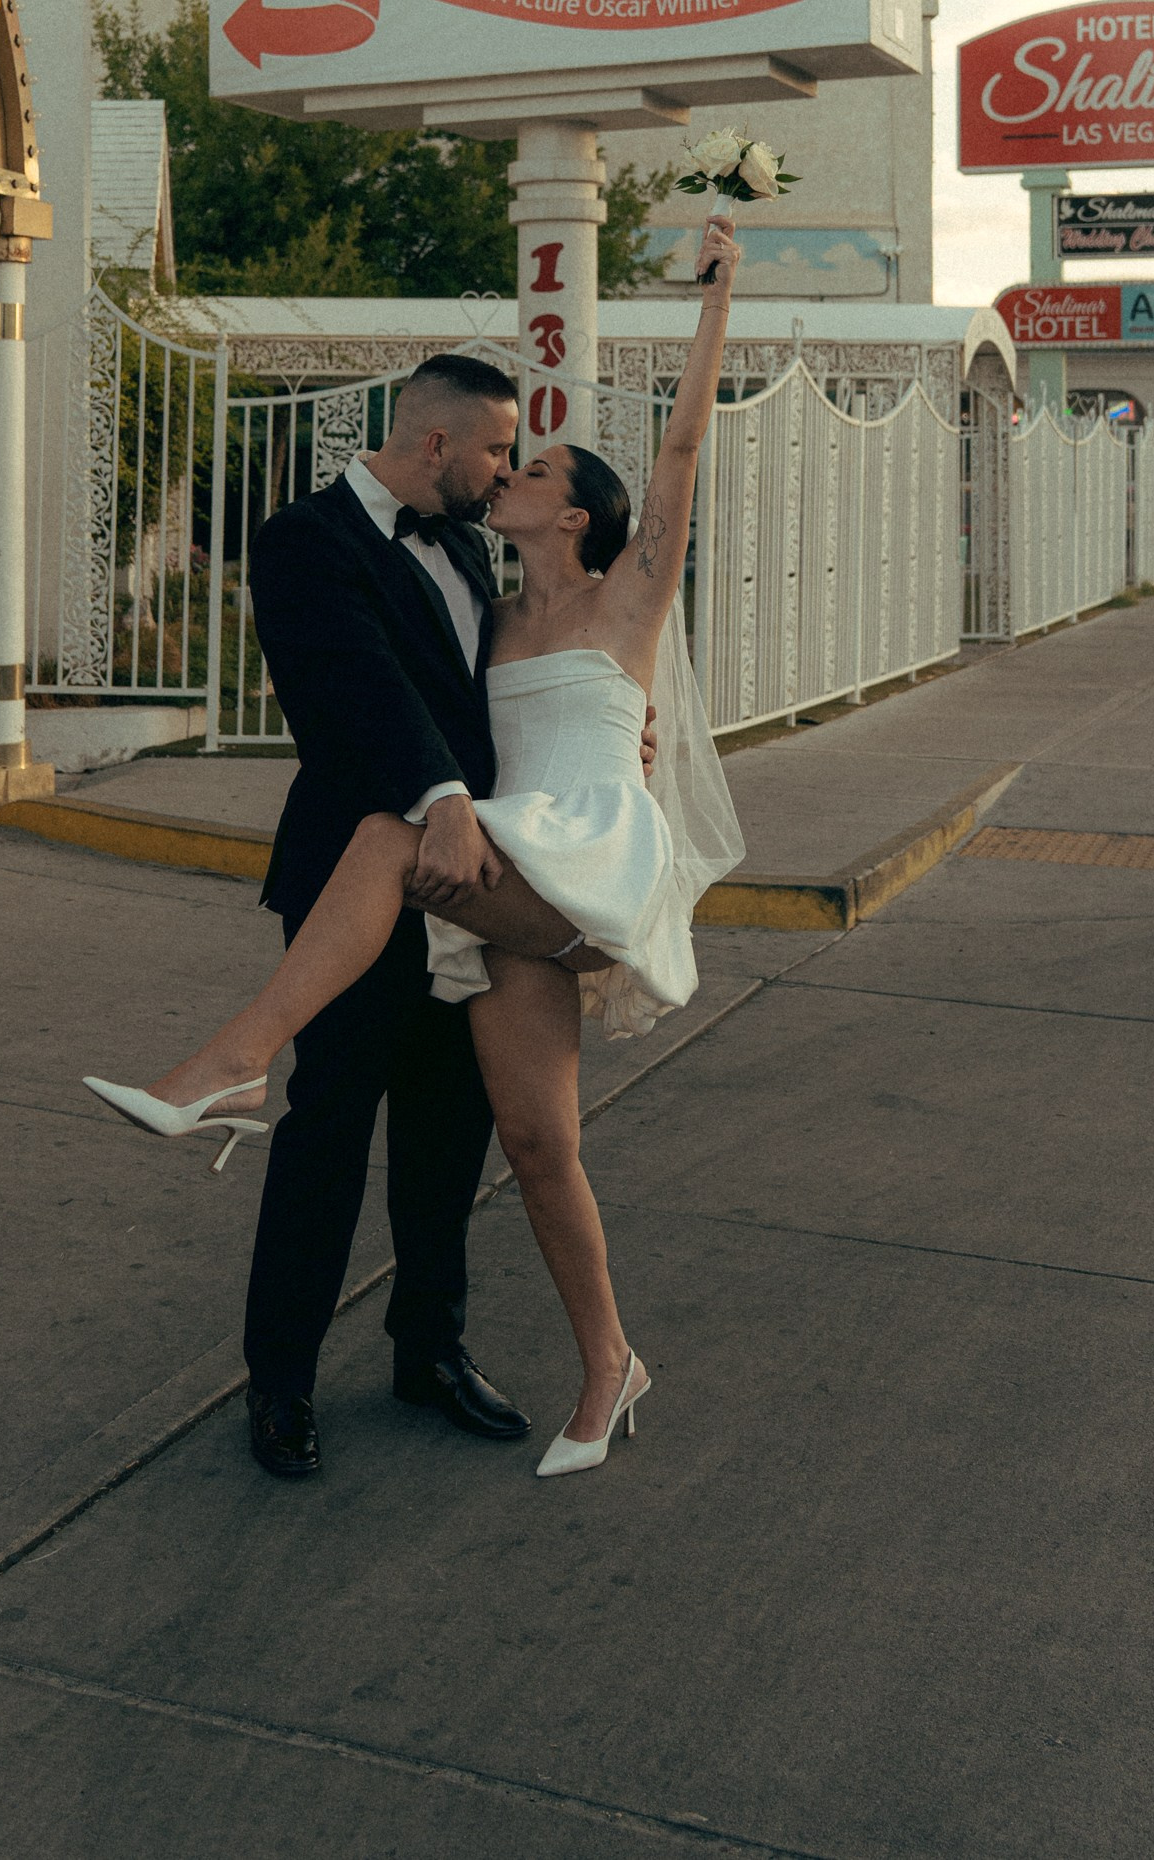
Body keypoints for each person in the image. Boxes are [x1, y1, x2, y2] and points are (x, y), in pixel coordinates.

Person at [85, 217, 744, 1483]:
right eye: (497, 452)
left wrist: (617, 729)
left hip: (508, 869)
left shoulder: (491, 559)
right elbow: (354, 699)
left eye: (526, 465)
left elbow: (670, 477)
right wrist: (454, 788)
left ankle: (426, 1347)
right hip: (388, 883)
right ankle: (281, 1383)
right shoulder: (314, 546)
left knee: (453, 1148)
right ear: (434, 439)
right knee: (358, 1139)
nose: (504, 477)